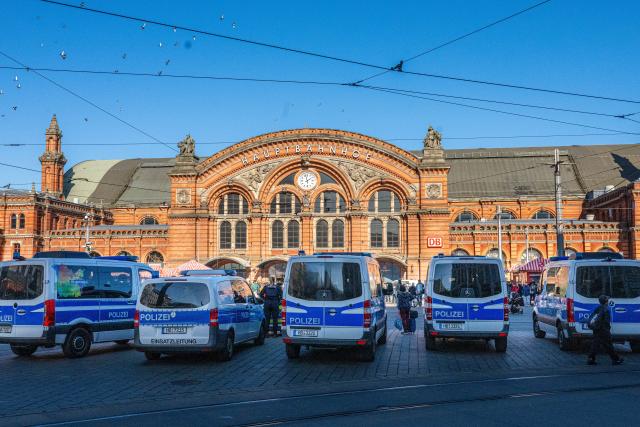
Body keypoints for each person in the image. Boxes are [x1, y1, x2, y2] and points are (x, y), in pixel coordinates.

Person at [587, 295, 623, 366]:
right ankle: (616, 360)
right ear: (606, 301)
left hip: (596, 329)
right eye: (607, 300)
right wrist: (607, 330)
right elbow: (606, 322)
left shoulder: (598, 308)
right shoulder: (606, 310)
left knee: (595, 344)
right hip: (603, 330)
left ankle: (590, 359)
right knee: (609, 345)